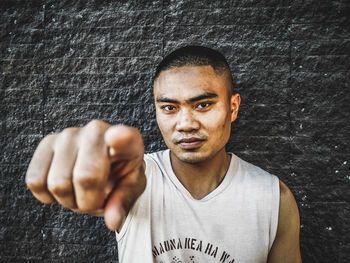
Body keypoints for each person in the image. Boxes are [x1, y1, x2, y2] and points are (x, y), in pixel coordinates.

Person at [25, 46, 302, 262]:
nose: (185, 124)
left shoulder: (273, 199)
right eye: (169, 108)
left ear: (233, 107)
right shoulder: (132, 180)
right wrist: (88, 170)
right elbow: (119, 184)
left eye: (203, 104)